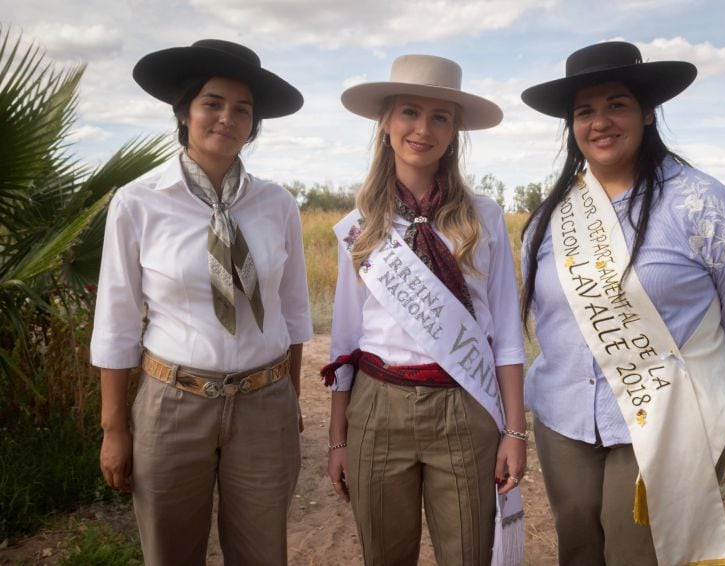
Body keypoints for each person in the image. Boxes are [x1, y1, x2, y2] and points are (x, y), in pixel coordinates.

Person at [519, 41, 725, 566]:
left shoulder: (708, 208)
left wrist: (692, 383)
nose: (600, 122)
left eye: (617, 104)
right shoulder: (550, 218)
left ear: (648, 113)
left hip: (668, 416)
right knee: (579, 547)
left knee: (639, 554)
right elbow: (545, 318)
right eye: (584, 110)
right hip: (563, 418)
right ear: (572, 125)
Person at [91, 39, 312, 565]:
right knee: (170, 553)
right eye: (213, 102)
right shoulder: (139, 202)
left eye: (243, 109)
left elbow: (293, 310)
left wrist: (292, 400)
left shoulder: (276, 204)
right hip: (174, 405)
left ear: (253, 125)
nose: (227, 118)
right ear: (185, 110)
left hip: (265, 404)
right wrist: (115, 427)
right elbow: (117, 321)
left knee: (263, 553)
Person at [321, 54, 527, 566]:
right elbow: (345, 338)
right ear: (386, 123)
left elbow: (505, 328)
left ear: (455, 131)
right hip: (377, 404)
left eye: (441, 116)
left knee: (469, 555)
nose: (423, 128)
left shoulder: (483, 218)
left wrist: (515, 431)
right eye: (410, 111)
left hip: (464, 406)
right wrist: (337, 438)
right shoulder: (360, 225)